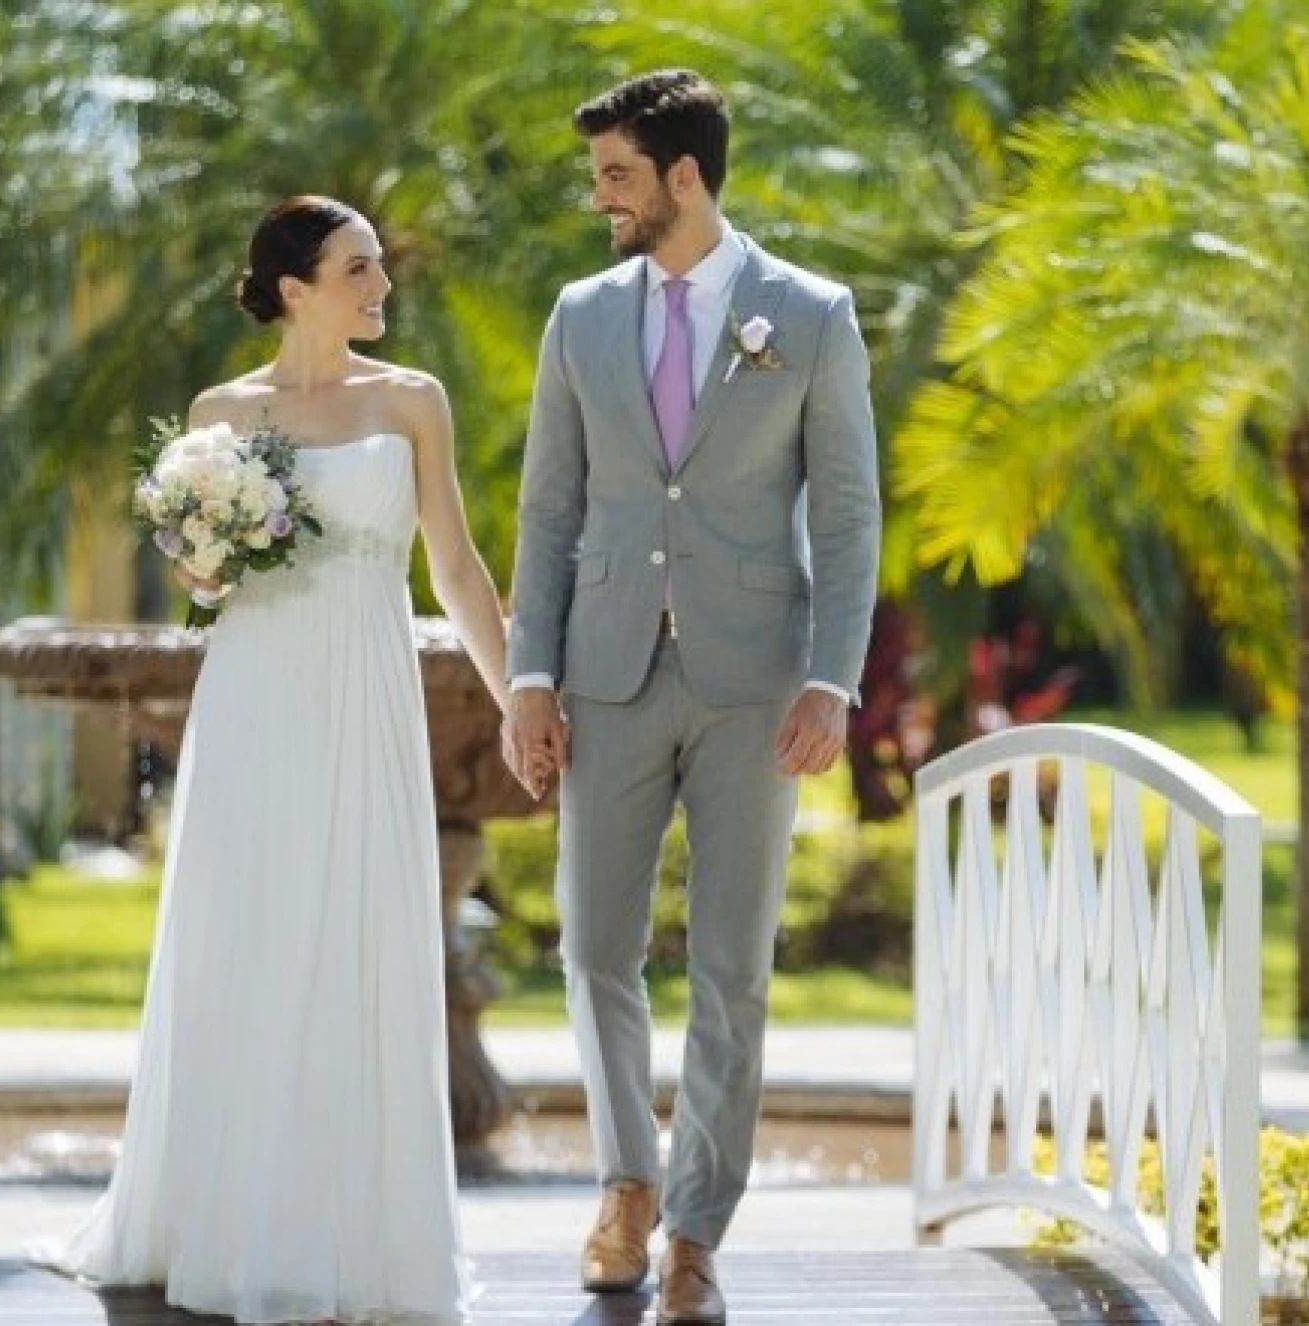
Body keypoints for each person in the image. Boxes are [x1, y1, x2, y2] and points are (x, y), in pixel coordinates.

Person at [33, 195, 523, 1326]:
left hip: (365, 692)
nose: (382, 287)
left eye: (379, 269)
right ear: (294, 287)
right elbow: (201, 584)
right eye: (359, 268)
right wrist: (204, 555)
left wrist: (516, 707)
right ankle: (221, 1219)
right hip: (255, 698)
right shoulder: (219, 411)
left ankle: (353, 1236)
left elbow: (454, 569)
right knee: (243, 937)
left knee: (359, 936)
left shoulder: (411, 403)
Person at [502, 70, 881, 1326]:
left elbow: (844, 509)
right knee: (594, 946)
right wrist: (531, 677)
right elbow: (550, 509)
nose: (597, 196)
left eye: (615, 173)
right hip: (605, 674)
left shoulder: (808, 315)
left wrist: (832, 677)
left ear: (683, 177)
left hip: (754, 683)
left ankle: (695, 1238)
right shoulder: (578, 316)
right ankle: (626, 1181)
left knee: (732, 968)